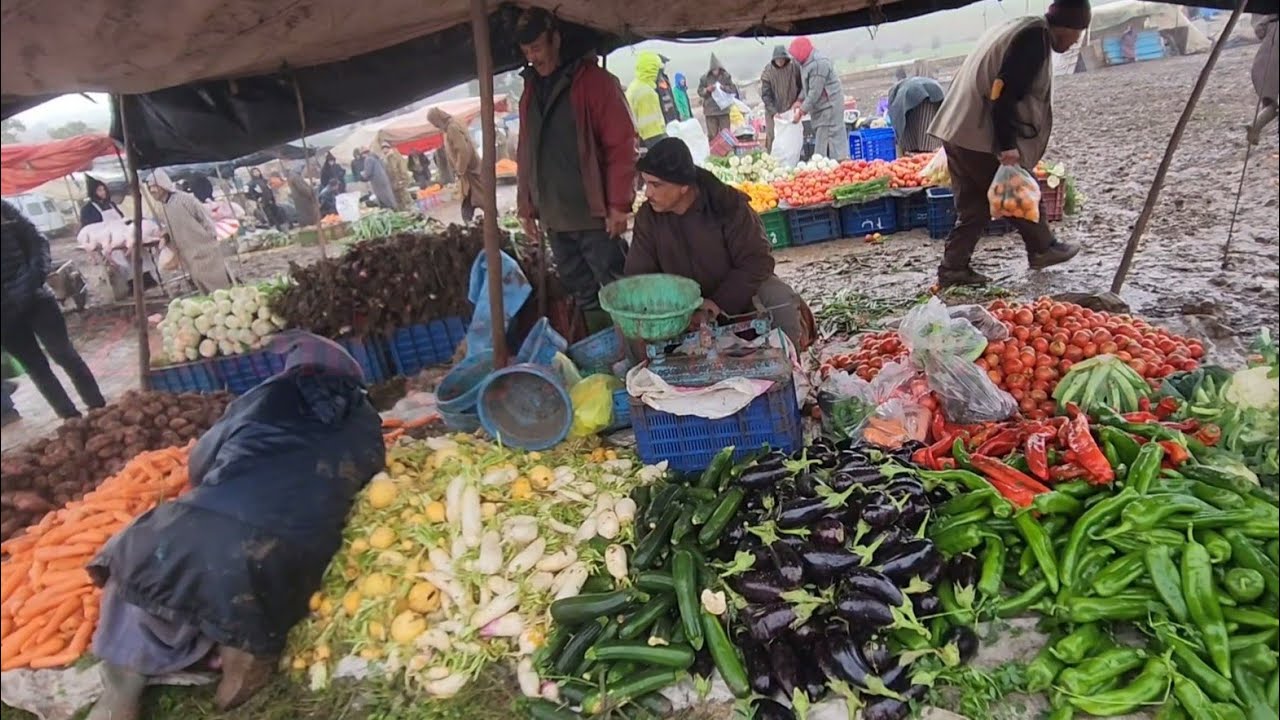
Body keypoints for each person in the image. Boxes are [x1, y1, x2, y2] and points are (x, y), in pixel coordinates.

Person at [84, 332, 384, 720]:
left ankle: (121, 692)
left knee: (139, 563)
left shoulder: (267, 397)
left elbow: (199, 464)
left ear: (297, 370)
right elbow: (363, 486)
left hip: (208, 531)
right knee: (238, 580)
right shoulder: (367, 425)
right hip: (294, 556)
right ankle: (241, 649)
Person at [927, 0, 1088, 287]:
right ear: (1067, 27)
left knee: (973, 206)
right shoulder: (1034, 40)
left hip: (958, 129)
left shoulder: (1020, 28)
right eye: (1077, 34)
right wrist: (1006, 144)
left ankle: (953, 268)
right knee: (1017, 191)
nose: (1075, 41)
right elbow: (1003, 91)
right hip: (978, 134)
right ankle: (1042, 248)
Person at [624, 139, 815, 350]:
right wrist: (681, 312)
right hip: (681, 313)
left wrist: (717, 303)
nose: (648, 193)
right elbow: (639, 277)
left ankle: (788, 369)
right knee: (629, 315)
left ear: (684, 186)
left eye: (656, 185)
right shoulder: (648, 218)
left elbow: (757, 261)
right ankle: (648, 380)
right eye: (645, 183)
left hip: (738, 303)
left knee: (778, 296)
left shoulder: (727, 205)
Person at [514, 8, 637, 334]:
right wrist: (525, 206)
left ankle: (634, 346)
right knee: (580, 289)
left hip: (594, 214)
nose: (533, 57)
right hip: (555, 216)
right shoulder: (530, 91)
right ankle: (604, 344)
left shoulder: (594, 83)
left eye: (538, 48)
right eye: (527, 52)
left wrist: (618, 205)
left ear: (556, 39)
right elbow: (525, 149)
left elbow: (621, 144)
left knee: (615, 285)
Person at [1, 200, 106, 419]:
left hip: (36, 296)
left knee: (63, 353)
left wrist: (34, 278)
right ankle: (70, 418)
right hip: (5, 316)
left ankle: (98, 408)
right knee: (36, 367)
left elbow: (36, 240)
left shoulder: (4, 209)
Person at [146, 170, 232, 293]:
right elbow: (171, 226)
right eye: (149, 188)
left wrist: (210, 238)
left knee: (219, 284)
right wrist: (165, 236)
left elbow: (205, 218)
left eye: (153, 187)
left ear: (162, 185)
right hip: (188, 253)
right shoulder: (164, 207)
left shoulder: (184, 199)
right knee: (202, 284)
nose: (151, 191)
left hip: (205, 249)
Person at [789, 36, 850, 160]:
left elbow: (815, 92)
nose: (794, 58)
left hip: (829, 104)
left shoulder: (818, 64)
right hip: (820, 105)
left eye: (795, 55)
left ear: (802, 51)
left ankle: (838, 163)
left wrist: (801, 111)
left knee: (830, 134)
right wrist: (799, 100)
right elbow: (807, 86)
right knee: (822, 135)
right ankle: (823, 163)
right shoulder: (804, 62)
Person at [428, 107, 486, 223]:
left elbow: (463, 150)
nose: (435, 126)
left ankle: (473, 223)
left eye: (434, 122)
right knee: (475, 198)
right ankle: (476, 220)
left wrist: (460, 169)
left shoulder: (452, 128)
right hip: (469, 170)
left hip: (469, 170)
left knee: (475, 198)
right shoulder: (453, 124)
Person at [760, 45, 803, 153]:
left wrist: (798, 101)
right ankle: (771, 160)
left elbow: (803, 86)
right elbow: (766, 95)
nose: (780, 62)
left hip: (790, 108)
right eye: (777, 59)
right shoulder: (768, 72)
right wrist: (774, 112)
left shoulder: (794, 67)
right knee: (772, 136)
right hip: (773, 110)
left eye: (782, 59)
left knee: (791, 137)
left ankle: (792, 160)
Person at [887, 77, 946, 156]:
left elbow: (898, 120)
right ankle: (928, 148)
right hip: (935, 91)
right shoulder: (901, 91)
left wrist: (899, 140)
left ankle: (925, 150)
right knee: (927, 123)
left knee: (924, 120)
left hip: (919, 94)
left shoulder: (899, 94)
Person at [1247, 14, 1278, 145]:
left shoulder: (1270, 18)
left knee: (1273, 103)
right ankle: (1255, 125)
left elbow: (1259, 31)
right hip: (1273, 65)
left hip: (1263, 65)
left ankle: (1255, 125)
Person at [627, 51, 668, 149]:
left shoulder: (635, 86)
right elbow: (652, 134)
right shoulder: (647, 93)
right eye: (659, 71)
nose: (661, 76)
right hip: (648, 145)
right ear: (654, 70)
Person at [696, 54, 738, 141]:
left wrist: (724, 88)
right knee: (712, 136)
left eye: (717, 69)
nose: (715, 71)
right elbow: (700, 91)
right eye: (713, 70)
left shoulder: (726, 76)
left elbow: (733, 89)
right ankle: (714, 153)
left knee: (726, 135)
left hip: (723, 110)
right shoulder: (704, 78)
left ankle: (727, 152)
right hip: (710, 111)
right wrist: (707, 90)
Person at [380, 142, 414, 208]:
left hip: (399, 180)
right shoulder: (385, 158)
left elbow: (400, 168)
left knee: (405, 197)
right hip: (393, 183)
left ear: (388, 148)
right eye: (383, 149)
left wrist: (403, 179)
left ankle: (411, 210)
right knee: (398, 199)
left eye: (385, 148)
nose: (384, 150)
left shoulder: (394, 156)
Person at [655, 55, 680, 125]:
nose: (664, 66)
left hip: (673, 115)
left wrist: (677, 115)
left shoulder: (665, 78)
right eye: (663, 63)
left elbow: (671, 98)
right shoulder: (654, 81)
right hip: (664, 117)